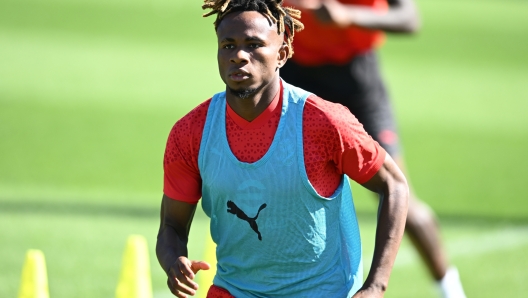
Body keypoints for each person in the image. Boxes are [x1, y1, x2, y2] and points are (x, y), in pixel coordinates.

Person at [156, 0, 409, 297]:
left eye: (253, 45)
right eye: (228, 45)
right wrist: (174, 261)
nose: (239, 55)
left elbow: (394, 184)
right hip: (235, 290)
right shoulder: (191, 132)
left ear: (283, 54)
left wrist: (376, 286)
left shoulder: (324, 121)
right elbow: (172, 224)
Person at [279, 0, 466, 297]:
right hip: (293, 73)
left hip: (356, 78)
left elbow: (408, 18)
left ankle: (451, 290)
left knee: (397, 190)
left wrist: (347, 15)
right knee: (282, 189)